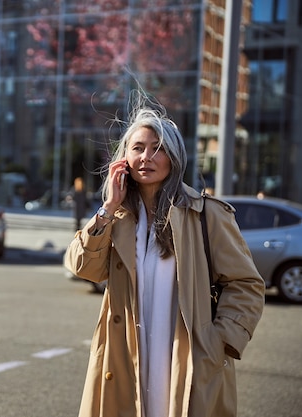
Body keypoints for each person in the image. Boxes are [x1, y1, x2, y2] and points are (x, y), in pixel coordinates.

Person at [64, 93, 265, 417]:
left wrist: (219, 341)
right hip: (127, 354)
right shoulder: (116, 217)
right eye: (138, 148)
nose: (147, 157)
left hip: (188, 357)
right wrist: (108, 207)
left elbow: (246, 284)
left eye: (157, 148)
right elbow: (83, 268)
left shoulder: (205, 214)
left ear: (173, 155)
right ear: (124, 158)